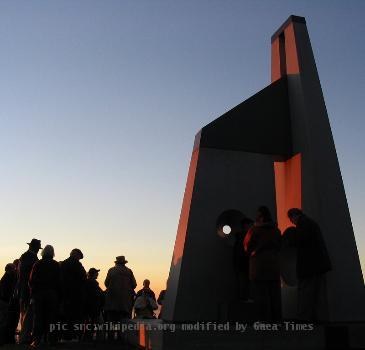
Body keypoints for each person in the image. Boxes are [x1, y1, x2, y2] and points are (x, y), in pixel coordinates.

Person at [284, 208, 332, 321]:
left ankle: (305, 320)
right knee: (318, 295)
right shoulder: (310, 222)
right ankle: (320, 319)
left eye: (291, 219)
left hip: (310, 267)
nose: (292, 222)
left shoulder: (304, 224)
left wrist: (289, 240)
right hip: (318, 265)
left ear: (295, 215)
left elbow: (301, 239)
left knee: (306, 294)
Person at [244, 206, 282, 321]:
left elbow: (247, 247)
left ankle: (264, 322)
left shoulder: (254, 231)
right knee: (275, 297)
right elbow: (280, 246)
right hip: (274, 267)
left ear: (260, 217)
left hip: (259, 268)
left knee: (261, 297)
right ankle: (276, 321)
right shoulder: (276, 230)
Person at [29, 245, 61, 348]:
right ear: (52, 253)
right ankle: (51, 339)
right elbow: (60, 281)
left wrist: (33, 293)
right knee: (52, 317)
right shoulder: (56, 265)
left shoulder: (37, 264)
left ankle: (37, 340)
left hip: (39, 294)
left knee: (38, 316)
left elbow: (31, 281)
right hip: (52, 294)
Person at [104, 256, 136, 338]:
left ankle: (110, 338)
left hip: (112, 301)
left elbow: (106, 283)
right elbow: (134, 285)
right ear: (124, 263)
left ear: (116, 262)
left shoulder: (111, 270)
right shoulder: (129, 271)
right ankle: (121, 337)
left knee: (111, 321)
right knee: (122, 322)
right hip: (125, 303)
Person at [18, 238, 42, 344]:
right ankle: (24, 337)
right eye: (37, 248)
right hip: (28, 290)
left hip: (25, 289)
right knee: (28, 313)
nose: (38, 250)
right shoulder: (30, 257)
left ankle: (25, 336)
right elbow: (26, 274)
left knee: (26, 313)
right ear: (35, 248)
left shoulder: (26, 256)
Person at [60, 248, 87, 341]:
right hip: (75, 295)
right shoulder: (78, 265)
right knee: (74, 317)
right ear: (77, 255)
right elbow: (83, 278)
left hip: (64, 294)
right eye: (79, 257)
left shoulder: (63, 264)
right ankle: (72, 336)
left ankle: (64, 336)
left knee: (65, 317)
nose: (79, 259)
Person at [233, 218, 253, 301]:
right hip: (246, 264)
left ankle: (243, 299)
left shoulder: (239, 237)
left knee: (243, 283)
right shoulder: (246, 237)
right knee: (246, 284)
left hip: (242, 265)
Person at [83, 268, 104, 341]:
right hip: (94, 306)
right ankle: (98, 338)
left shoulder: (87, 282)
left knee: (89, 323)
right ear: (93, 274)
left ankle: (87, 337)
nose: (97, 274)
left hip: (89, 306)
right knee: (98, 323)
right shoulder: (94, 283)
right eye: (96, 273)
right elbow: (97, 294)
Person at [0, 263, 18, 345]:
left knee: (4, 320)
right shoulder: (10, 277)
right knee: (5, 321)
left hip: (3, 301)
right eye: (14, 268)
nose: (15, 270)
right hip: (6, 302)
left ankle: (4, 339)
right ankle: (5, 339)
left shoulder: (4, 278)